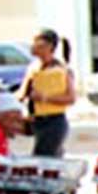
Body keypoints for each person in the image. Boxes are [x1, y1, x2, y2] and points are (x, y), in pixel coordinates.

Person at [22, 29, 75, 157]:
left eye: (38, 44)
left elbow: (70, 97)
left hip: (54, 121)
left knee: (44, 158)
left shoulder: (61, 70)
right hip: (37, 121)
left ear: (49, 47)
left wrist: (44, 97)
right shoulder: (34, 68)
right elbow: (23, 93)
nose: (34, 47)